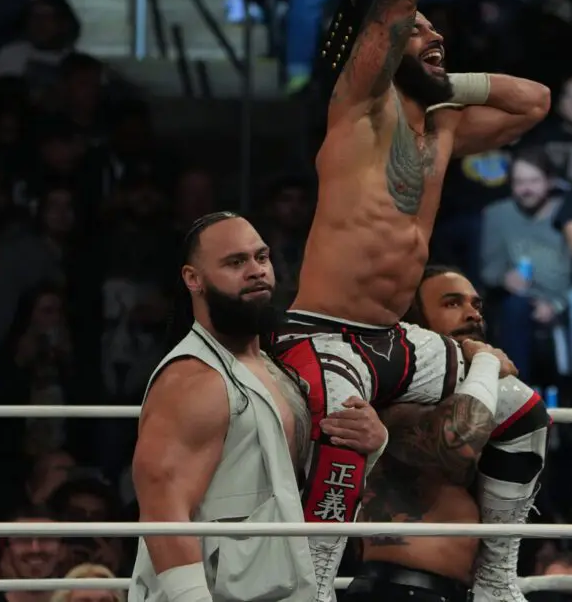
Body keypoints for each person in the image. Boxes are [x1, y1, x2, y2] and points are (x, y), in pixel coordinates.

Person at [274, 0, 552, 602]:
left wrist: (444, 79)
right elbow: (393, 10)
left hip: (394, 338)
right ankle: (313, 586)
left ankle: (496, 579)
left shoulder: (443, 125)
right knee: (347, 430)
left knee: (520, 408)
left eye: (438, 32)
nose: (433, 34)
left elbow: (534, 102)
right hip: (325, 331)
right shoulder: (357, 109)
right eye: (420, 31)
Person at [129, 212, 388, 602]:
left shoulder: (272, 367)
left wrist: (371, 441)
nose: (256, 271)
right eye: (236, 262)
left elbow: (294, 487)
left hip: (278, 586)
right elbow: (163, 509)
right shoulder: (191, 379)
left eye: (261, 257)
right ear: (193, 279)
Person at [348, 265, 513, 602]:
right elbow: (458, 443)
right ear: (415, 323)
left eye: (476, 305)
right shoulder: (394, 400)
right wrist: (485, 362)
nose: (473, 314)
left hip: (444, 590)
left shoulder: (473, 394)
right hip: (400, 591)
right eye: (452, 303)